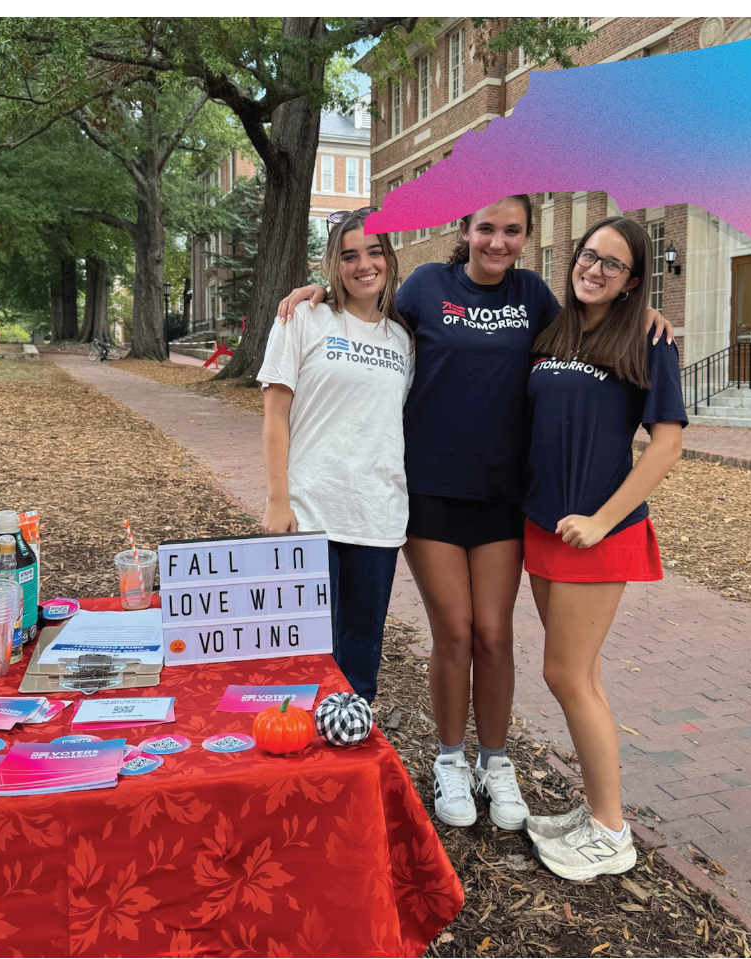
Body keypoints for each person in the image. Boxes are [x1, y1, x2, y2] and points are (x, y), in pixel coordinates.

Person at [277, 197, 673, 834]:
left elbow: (590, 319)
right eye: (486, 228)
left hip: (503, 496)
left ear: (527, 237)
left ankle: (497, 761)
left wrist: (643, 308)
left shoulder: (536, 297)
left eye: (512, 231)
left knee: (494, 634)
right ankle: (451, 758)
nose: (497, 241)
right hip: (430, 492)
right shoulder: (428, 286)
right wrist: (315, 289)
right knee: (454, 632)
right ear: (464, 230)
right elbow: (366, 308)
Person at [521, 216, 686, 880]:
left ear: (633, 281)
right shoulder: (554, 327)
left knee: (567, 674)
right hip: (542, 523)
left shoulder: (649, 341)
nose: (593, 268)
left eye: (611, 264)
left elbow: (667, 443)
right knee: (573, 674)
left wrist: (601, 518)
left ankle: (612, 831)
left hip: (600, 532)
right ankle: (596, 809)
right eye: (588, 255)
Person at [257, 208, 414, 705]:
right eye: (349, 255)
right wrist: (277, 500)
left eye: (374, 252)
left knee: (360, 666)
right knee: (307, 660)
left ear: (388, 258)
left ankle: (350, 766)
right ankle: (299, 769)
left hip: (378, 514)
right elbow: (275, 415)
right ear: (334, 265)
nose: (363, 265)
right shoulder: (303, 316)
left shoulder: (403, 339)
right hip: (311, 509)